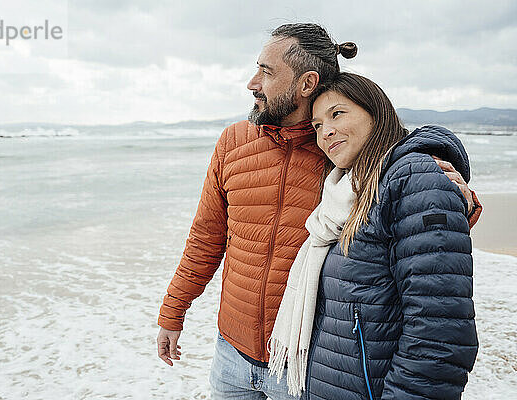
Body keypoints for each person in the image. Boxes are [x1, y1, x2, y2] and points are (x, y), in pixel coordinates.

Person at [157, 23, 481, 399]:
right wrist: (172, 311)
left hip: (305, 366)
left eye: (265, 71)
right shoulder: (233, 142)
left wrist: (454, 195)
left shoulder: (345, 153)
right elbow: (206, 239)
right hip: (231, 352)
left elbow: (409, 206)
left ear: (306, 83)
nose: (252, 83)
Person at [281, 72, 477, 399]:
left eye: (337, 114)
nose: (326, 131)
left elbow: (440, 334)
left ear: (376, 113)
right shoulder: (347, 192)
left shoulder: (413, 179)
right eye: (317, 125)